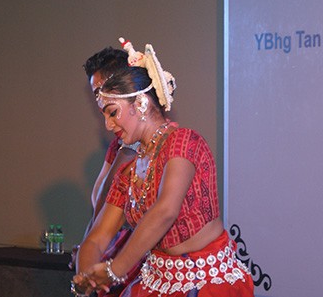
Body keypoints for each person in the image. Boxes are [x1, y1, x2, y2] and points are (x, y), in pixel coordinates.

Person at [72, 39, 254, 297]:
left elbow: (165, 211)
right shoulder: (129, 170)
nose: (108, 125)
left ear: (141, 104)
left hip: (208, 283)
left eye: (112, 113)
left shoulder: (183, 141)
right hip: (156, 282)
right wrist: (86, 276)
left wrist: (115, 270)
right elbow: (97, 237)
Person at [69, 46, 141, 297]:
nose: (100, 97)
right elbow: (100, 201)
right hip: (111, 247)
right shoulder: (119, 143)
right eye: (96, 92)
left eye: (104, 88)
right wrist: (88, 246)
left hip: (138, 259)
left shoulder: (159, 145)